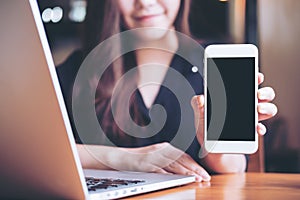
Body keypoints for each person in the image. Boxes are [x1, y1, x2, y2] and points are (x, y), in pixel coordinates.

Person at [56, 0, 277, 182]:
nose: (145, 2)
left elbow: (233, 167)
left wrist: (213, 145)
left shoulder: (214, 64)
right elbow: (35, 153)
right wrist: (126, 159)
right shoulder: (79, 71)